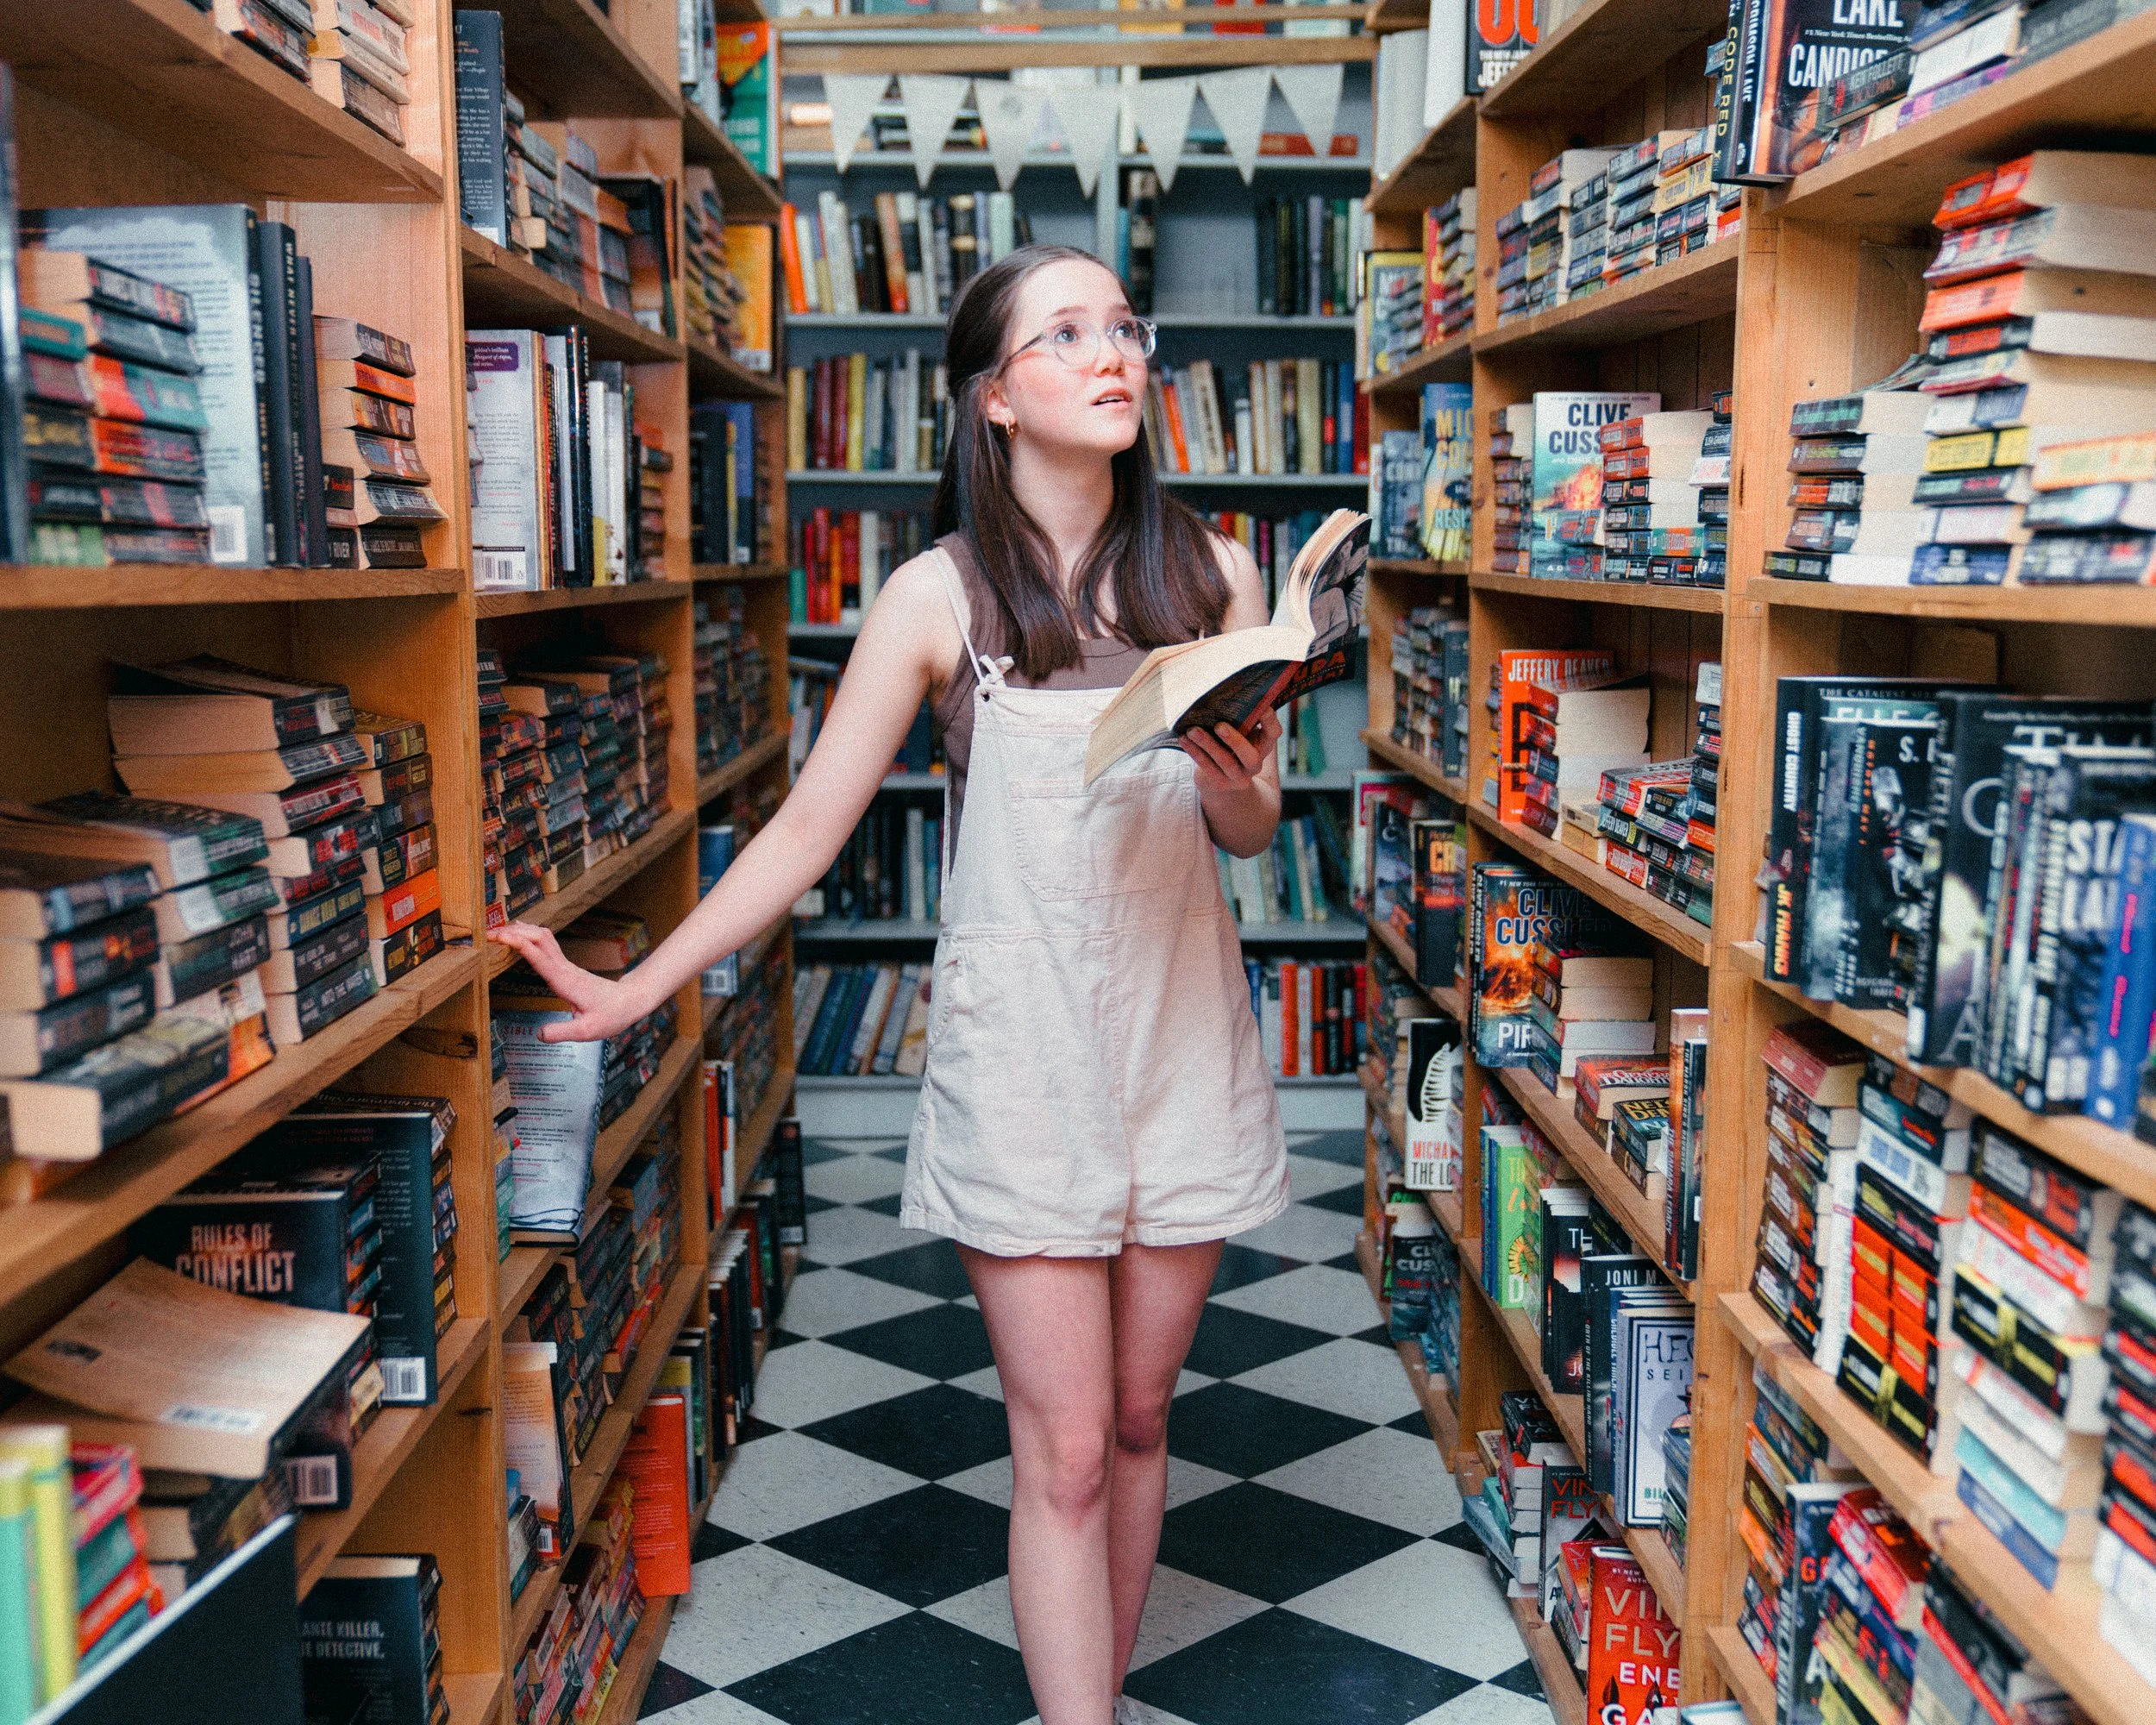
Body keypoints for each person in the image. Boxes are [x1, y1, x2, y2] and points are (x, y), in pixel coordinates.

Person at [491, 242, 1292, 1725]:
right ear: (995, 397)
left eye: (1124, 325)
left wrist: (1238, 775)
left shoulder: (1214, 576)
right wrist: (633, 991)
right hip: (1026, 1054)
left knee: (1135, 1418)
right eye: (1066, 334)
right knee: (1055, 1449)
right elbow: (805, 829)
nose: (1112, 352)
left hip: (1185, 1036)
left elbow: (1248, 828)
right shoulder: (937, 598)